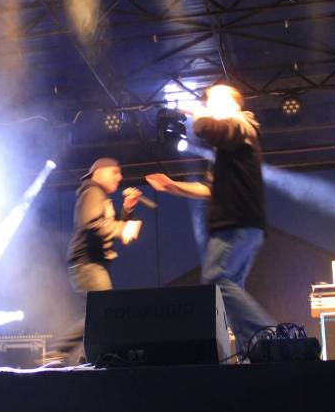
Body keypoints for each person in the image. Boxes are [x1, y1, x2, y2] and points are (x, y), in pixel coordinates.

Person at [146, 85, 273, 359]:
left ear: (235, 105)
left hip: (236, 222)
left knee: (216, 280)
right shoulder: (229, 146)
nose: (209, 103)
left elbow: (206, 128)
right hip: (241, 223)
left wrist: (198, 112)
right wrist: (172, 187)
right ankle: (255, 352)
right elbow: (208, 189)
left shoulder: (243, 123)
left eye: (215, 99)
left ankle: (269, 337)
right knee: (230, 289)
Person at [57, 158, 142, 364]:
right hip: (87, 263)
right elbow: (91, 224)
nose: (119, 177)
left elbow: (106, 225)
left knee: (100, 313)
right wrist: (123, 228)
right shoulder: (92, 191)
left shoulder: (101, 197)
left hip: (92, 264)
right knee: (103, 311)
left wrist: (127, 210)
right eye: (114, 172)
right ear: (98, 172)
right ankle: (60, 351)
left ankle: (85, 357)